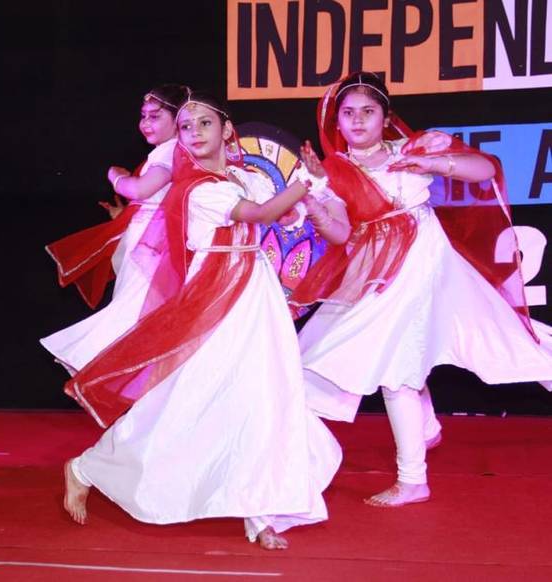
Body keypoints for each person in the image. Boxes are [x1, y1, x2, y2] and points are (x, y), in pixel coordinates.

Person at [62, 93, 341, 550]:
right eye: (186, 126)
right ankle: (85, 468)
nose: (194, 132)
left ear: (227, 130)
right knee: (182, 399)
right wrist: (306, 183)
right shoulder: (198, 190)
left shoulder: (244, 176)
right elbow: (259, 213)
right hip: (215, 297)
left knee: (266, 396)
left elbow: (281, 212)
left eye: (205, 123)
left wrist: (305, 197)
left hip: (255, 293)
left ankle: (260, 509)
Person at [291, 71, 552, 508]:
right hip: (377, 269)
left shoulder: (412, 149)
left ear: (385, 117)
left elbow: (486, 169)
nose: (358, 121)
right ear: (337, 121)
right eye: (349, 113)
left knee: (423, 357)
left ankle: (413, 478)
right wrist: (314, 198)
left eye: (368, 112)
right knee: (398, 354)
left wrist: (435, 164)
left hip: (425, 261)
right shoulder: (332, 169)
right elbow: (341, 234)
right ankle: (424, 432)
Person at [42, 86, 188, 372]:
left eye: (155, 116)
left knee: (137, 311)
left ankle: (93, 360)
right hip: (147, 242)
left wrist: (116, 177)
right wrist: (125, 214)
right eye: (143, 116)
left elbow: (141, 189)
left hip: (153, 248)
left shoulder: (170, 152)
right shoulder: (167, 152)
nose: (146, 123)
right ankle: (119, 374)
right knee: (139, 310)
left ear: (178, 119)